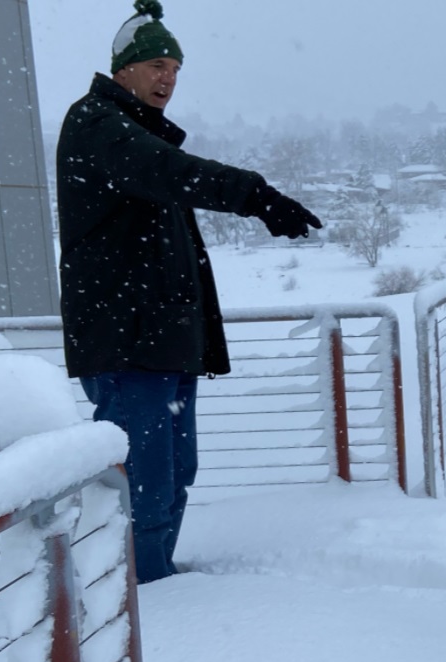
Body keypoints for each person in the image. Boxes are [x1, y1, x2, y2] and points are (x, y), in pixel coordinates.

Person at [56, 0, 322, 584]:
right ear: (123, 69)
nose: (168, 77)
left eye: (176, 67)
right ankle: (137, 598)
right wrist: (256, 195)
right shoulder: (99, 125)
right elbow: (170, 173)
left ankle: (159, 577)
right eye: (155, 64)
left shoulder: (138, 136)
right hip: (126, 342)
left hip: (164, 340)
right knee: (145, 483)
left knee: (176, 472)